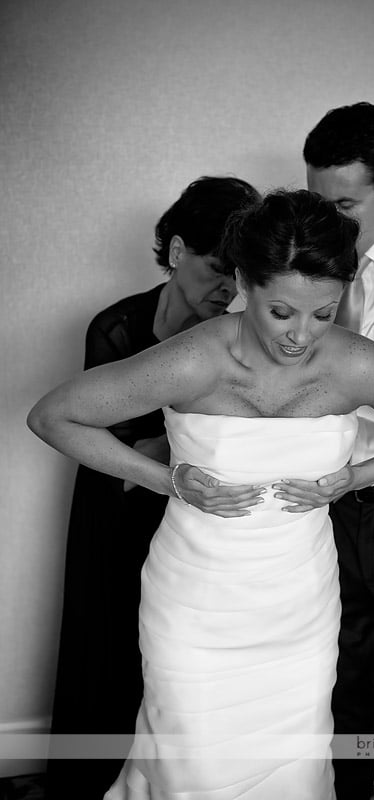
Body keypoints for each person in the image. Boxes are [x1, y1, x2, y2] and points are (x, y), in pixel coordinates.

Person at [28, 189, 374, 800]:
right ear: (245, 282)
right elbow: (54, 416)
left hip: (299, 607)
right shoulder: (191, 360)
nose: (301, 336)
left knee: (293, 770)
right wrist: (168, 480)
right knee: (196, 771)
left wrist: (354, 476)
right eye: (282, 313)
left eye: (323, 313)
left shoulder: (354, 365)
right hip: (195, 607)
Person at [172, 105, 374, 800]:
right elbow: (252, 356)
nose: (334, 222)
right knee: (337, 686)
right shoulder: (303, 271)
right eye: (323, 202)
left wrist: (332, 380)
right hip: (323, 507)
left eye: (346, 203)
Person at [44, 175, 261, 800]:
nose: (228, 289)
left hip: (191, 517)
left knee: (174, 664)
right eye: (218, 268)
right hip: (115, 504)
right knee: (106, 641)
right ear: (175, 252)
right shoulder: (113, 328)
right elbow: (112, 441)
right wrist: (175, 455)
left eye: (240, 275)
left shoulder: (238, 338)